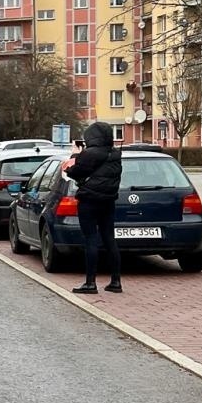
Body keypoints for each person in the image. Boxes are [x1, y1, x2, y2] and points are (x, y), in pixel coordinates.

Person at [63, 121, 123, 295]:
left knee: (90, 239)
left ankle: (90, 283)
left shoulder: (89, 154)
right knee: (110, 239)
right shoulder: (115, 154)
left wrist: (75, 155)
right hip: (109, 201)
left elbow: (73, 171)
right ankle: (116, 281)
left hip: (89, 201)